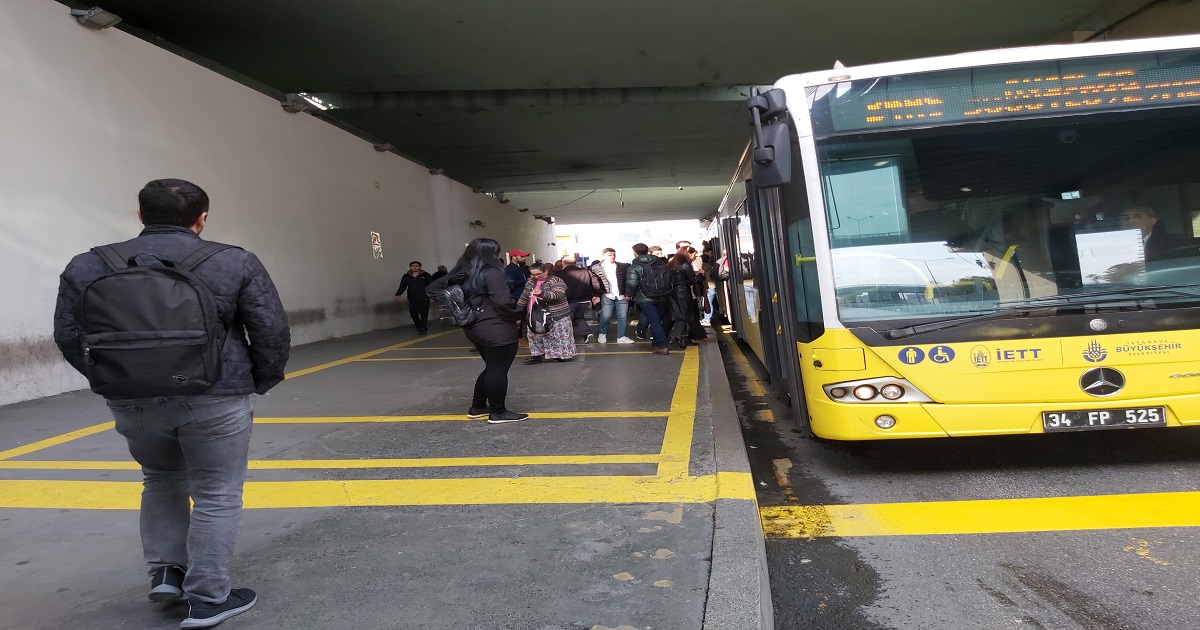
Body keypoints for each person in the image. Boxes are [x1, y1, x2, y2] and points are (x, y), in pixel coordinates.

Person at [52, 178, 290, 629]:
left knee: (159, 479)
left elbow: (68, 335)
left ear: (139, 215)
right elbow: (270, 331)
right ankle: (207, 599)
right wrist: (259, 380)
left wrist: (117, 379)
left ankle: (166, 571)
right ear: (202, 219)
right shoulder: (232, 260)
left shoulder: (89, 264)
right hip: (215, 394)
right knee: (217, 492)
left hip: (131, 399)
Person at [427, 238, 528, 423]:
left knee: (492, 366)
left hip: (474, 327)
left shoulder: (462, 271)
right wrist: (518, 313)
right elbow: (503, 301)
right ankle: (498, 412)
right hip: (497, 327)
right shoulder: (492, 272)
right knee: (498, 368)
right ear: (490, 254)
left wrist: (461, 304)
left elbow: (432, 289)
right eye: (497, 252)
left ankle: (478, 406)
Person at [517, 263, 577, 363]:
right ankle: (536, 356)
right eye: (533, 274)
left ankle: (558, 355)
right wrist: (518, 309)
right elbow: (524, 297)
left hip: (556, 313)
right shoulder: (530, 282)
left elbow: (558, 295)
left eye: (538, 274)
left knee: (556, 335)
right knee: (534, 335)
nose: (535, 277)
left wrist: (542, 293)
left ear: (546, 271)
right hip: (535, 313)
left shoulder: (556, 280)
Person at [626, 243, 671, 355]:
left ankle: (663, 346)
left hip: (645, 297)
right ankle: (656, 345)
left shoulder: (635, 266)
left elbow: (632, 283)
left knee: (654, 321)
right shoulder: (660, 263)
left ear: (635, 253)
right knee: (658, 321)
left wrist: (629, 294)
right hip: (662, 295)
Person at [665, 246, 707, 349]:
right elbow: (693, 280)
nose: (695, 256)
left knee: (683, 314)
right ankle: (673, 337)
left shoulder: (673, 264)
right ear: (688, 254)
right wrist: (701, 275)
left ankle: (683, 338)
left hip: (674, 292)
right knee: (684, 315)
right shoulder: (685, 265)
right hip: (683, 292)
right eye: (693, 254)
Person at [588, 248, 633, 344]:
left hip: (621, 295)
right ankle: (602, 333)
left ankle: (621, 336)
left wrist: (628, 293)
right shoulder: (596, 267)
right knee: (606, 315)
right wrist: (596, 294)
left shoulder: (622, 266)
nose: (612, 256)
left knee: (623, 316)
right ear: (603, 256)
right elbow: (594, 283)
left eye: (613, 254)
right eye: (610, 255)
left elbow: (628, 280)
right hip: (607, 294)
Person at [1120, 206, 1194, 262]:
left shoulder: (1175, 241)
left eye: (1137, 217)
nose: (1130, 220)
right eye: (1125, 218)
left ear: (1152, 221)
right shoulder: (1114, 244)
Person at [557, 254, 603, 343]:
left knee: (566, 320)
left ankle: (566, 339)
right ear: (575, 263)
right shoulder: (586, 271)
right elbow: (595, 283)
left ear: (563, 264)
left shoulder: (559, 274)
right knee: (579, 317)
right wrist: (596, 294)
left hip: (568, 301)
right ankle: (587, 333)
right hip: (584, 300)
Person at [394, 261, 433, 334]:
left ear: (420, 267)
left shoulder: (426, 275)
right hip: (412, 297)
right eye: (413, 266)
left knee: (424, 313)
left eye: (416, 266)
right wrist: (398, 294)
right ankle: (418, 324)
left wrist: (432, 295)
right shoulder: (406, 277)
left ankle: (423, 328)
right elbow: (403, 286)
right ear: (410, 267)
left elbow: (431, 286)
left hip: (424, 297)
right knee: (413, 313)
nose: (415, 267)